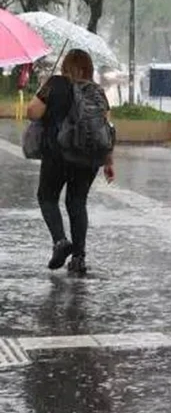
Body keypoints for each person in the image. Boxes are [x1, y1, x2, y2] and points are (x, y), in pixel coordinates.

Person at [26, 49, 115, 276]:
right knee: (77, 203)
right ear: (88, 68)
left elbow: (32, 112)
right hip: (88, 158)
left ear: (65, 66)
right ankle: (78, 258)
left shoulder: (55, 84)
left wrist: (44, 93)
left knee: (47, 197)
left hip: (58, 154)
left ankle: (60, 241)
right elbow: (107, 128)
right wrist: (108, 161)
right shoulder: (97, 91)